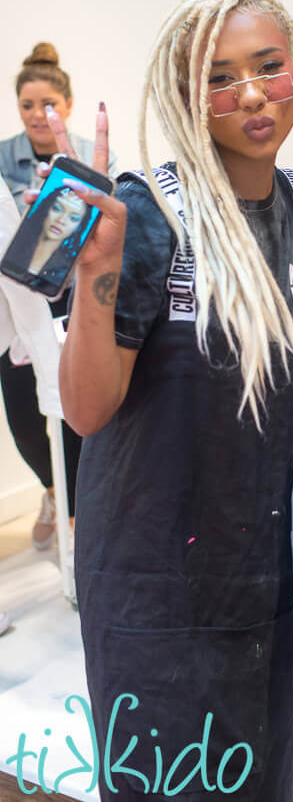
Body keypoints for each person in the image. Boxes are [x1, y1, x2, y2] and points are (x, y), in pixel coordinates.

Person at [51, 0, 293, 802]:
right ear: (187, 95)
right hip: (156, 595)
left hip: (267, 592)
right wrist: (98, 271)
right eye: (218, 76)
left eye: (267, 66)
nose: (249, 93)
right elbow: (87, 410)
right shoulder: (151, 213)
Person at [0, 43, 113, 549]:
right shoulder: (3, 158)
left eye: (47, 104)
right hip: (16, 304)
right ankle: (51, 489)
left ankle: (78, 512)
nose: (37, 115)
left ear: (66, 104)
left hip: (77, 298)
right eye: (26, 106)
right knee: (24, 417)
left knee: (76, 411)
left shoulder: (93, 156)